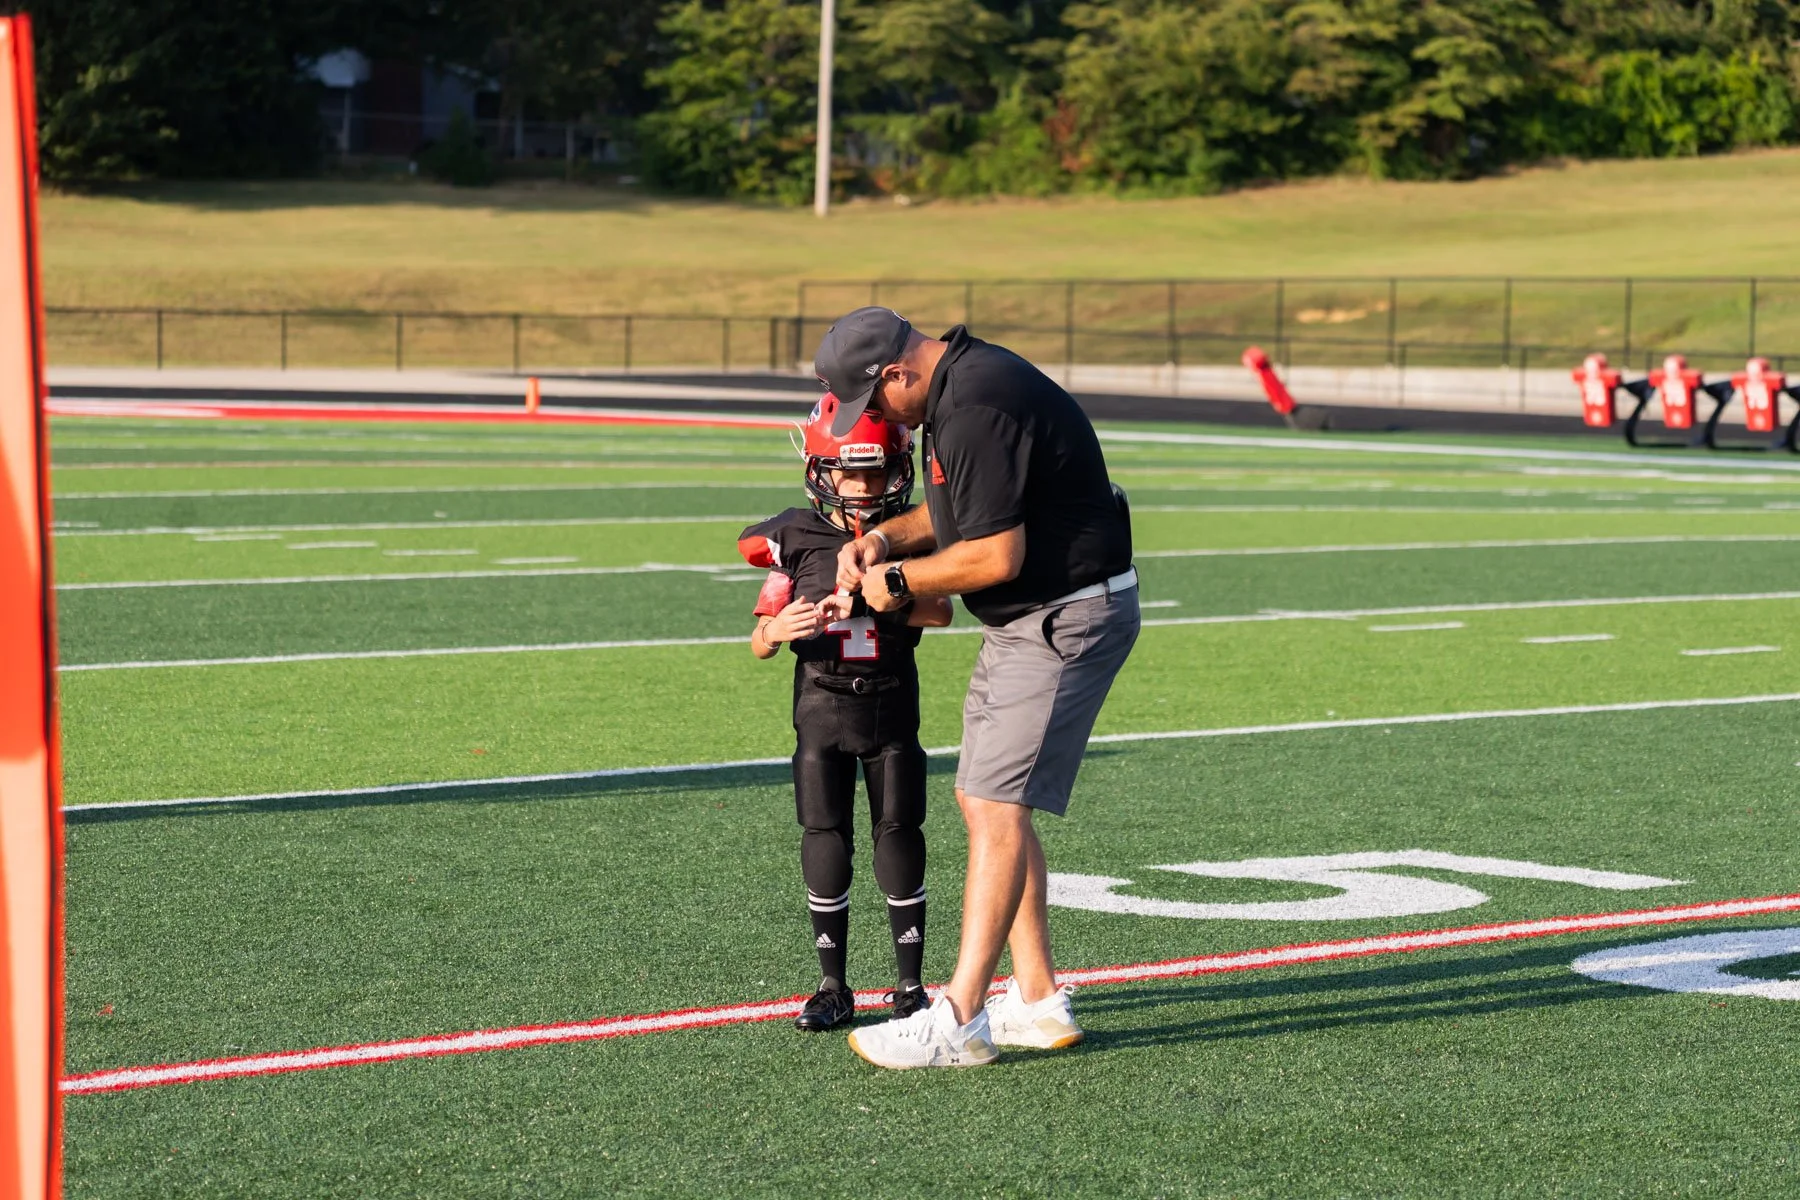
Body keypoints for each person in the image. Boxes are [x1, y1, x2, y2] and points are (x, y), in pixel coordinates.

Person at [817, 307, 1140, 1070]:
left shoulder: (974, 401)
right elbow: (961, 510)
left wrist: (891, 583)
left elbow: (994, 554)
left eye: (877, 405)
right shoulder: (964, 382)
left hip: (1063, 614)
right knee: (984, 798)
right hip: (1034, 615)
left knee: (996, 805)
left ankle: (956, 1017)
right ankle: (1036, 999)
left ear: (896, 374)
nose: (883, 423)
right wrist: (883, 537)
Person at [737, 399, 954, 1033]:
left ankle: (910, 985)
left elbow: (940, 612)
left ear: (899, 471)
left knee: (900, 833)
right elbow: (757, 641)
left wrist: (885, 592)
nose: (863, 487)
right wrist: (777, 627)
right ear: (819, 470)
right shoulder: (796, 537)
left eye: (877, 473)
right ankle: (832, 984)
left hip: (890, 704)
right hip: (821, 707)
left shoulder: (913, 533)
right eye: (849, 473)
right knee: (824, 836)